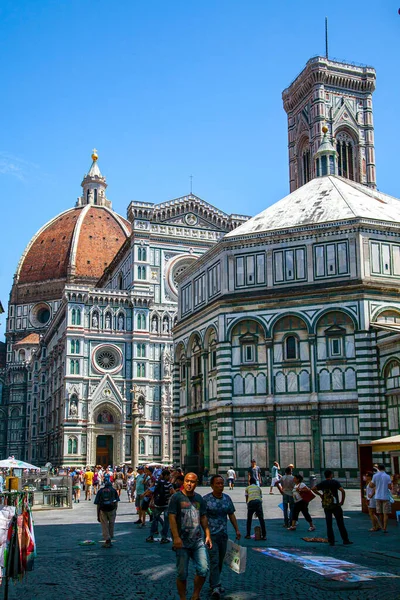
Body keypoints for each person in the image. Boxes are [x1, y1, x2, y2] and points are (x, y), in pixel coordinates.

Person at [169, 472, 212, 600]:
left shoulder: (199, 499)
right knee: (182, 573)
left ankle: (195, 595)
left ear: (196, 483)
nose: (189, 484)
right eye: (187, 481)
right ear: (183, 482)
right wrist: (176, 537)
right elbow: (172, 517)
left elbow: (203, 517)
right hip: (182, 541)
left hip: (197, 540)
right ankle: (183, 598)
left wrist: (207, 534)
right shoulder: (176, 498)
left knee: (203, 569)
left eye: (192, 482)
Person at [204, 475, 241, 599]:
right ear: (212, 485)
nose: (220, 486)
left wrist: (237, 529)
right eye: (217, 484)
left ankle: (214, 583)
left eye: (222, 483)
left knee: (220, 561)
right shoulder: (206, 500)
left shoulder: (227, 498)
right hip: (211, 536)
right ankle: (215, 586)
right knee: (214, 560)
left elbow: (231, 515)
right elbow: (201, 517)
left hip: (223, 535)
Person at [312, 469, 351, 545]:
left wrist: (320, 495)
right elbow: (342, 491)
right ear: (331, 475)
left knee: (329, 523)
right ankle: (345, 540)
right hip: (335, 504)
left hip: (327, 505)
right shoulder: (335, 482)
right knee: (340, 523)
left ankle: (331, 540)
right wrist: (342, 501)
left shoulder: (323, 483)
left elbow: (313, 489)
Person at [146, 469, 174, 544]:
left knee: (155, 520)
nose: (170, 477)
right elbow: (173, 493)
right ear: (166, 476)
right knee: (166, 521)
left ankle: (151, 536)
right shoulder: (168, 484)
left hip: (157, 504)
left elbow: (151, 490)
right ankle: (164, 537)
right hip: (166, 504)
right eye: (169, 475)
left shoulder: (157, 483)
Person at [94, 476, 120, 547]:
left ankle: (107, 539)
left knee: (104, 524)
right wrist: (115, 510)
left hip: (103, 510)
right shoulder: (114, 490)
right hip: (112, 509)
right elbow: (116, 502)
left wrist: (98, 515)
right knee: (111, 524)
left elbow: (98, 504)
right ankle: (110, 536)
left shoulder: (100, 491)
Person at [372, 463, 392, 533]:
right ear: (384, 468)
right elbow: (390, 487)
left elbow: (372, 485)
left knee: (380, 513)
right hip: (385, 496)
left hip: (378, 496)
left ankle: (381, 526)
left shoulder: (375, 476)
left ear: (378, 468)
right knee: (385, 513)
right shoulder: (387, 476)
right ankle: (385, 527)